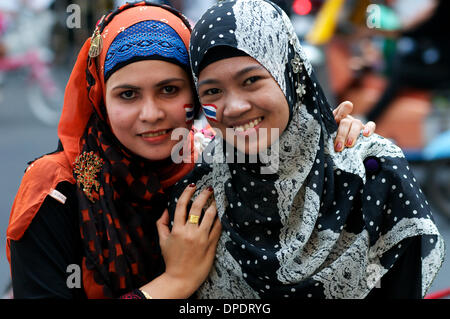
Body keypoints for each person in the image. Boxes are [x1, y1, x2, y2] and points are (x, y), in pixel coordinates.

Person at [6, 1, 374, 299]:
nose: (151, 114)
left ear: (196, 94)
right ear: (99, 98)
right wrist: (174, 282)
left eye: (169, 89)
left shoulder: (216, 166)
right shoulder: (57, 190)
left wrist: (329, 139)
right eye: (127, 94)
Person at [167, 0, 445, 299]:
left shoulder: (373, 172)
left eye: (252, 80)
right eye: (212, 91)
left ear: (292, 75)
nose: (234, 107)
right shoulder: (199, 192)